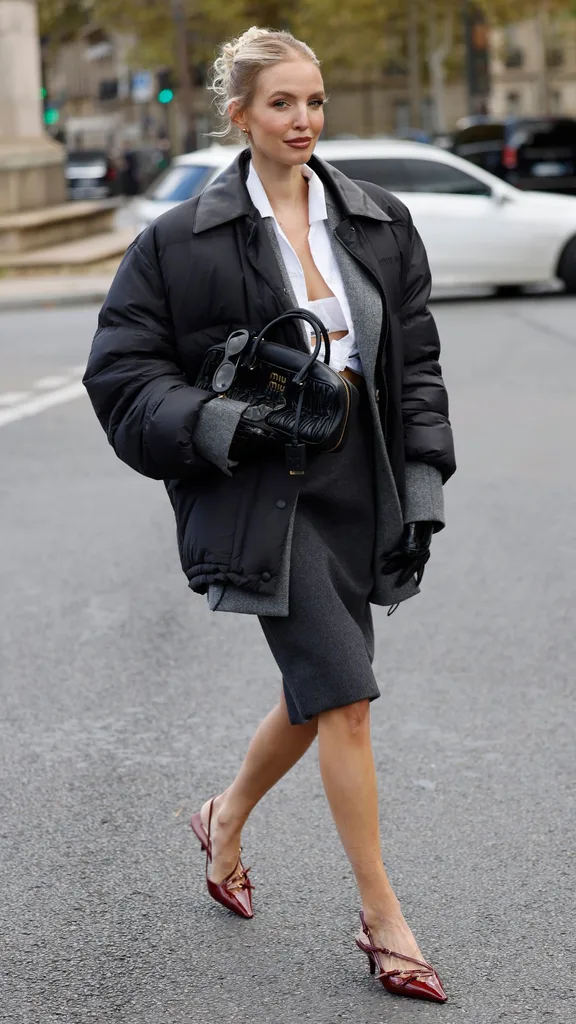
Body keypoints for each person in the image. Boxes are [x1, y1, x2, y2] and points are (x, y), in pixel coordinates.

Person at [83, 25, 456, 1005]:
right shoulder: (180, 241)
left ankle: (223, 815)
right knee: (345, 696)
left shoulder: (376, 222)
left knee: (325, 687)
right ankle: (384, 918)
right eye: (283, 102)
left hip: (357, 487)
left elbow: (414, 362)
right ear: (240, 113)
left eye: (316, 101)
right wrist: (217, 421)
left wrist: (421, 484)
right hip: (265, 489)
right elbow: (122, 373)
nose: (304, 120)